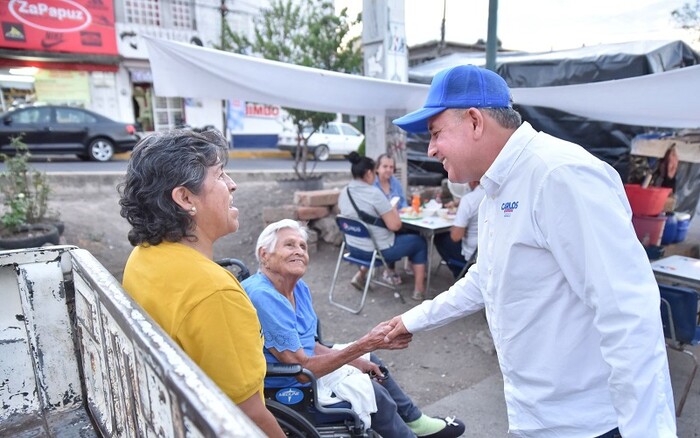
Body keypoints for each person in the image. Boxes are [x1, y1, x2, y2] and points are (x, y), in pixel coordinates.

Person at [384, 65, 676, 437]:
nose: (431, 149)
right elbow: (486, 278)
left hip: (590, 425)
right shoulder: (495, 187)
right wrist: (412, 321)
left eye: (436, 133)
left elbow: (627, 309)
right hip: (534, 415)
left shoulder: (558, 174)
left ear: (474, 121)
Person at [119, 129, 285, 437]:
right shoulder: (213, 292)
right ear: (184, 198)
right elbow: (247, 415)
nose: (232, 184)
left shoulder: (143, 257)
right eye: (220, 175)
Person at [242, 219, 465, 438]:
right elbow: (301, 370)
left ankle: (415, 422)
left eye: (303, 246)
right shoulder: (263, 296)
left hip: (304, 370)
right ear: (264, 255)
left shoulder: (299, 288)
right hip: (290, 387)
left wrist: (357, 357)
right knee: (375, 395)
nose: (299, 251)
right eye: (289, 245)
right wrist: (363, 344)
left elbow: (310, 345)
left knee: (370, 362)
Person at [339, 151, 428, 301]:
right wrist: (392, 210)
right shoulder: (374, 193)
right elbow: (395, 225)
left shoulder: (344, 192)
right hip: (375, 251)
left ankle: (362, 275)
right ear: (368, 173)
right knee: (419, 243)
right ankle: (419, 290)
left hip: (352, 248)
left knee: (385, 236)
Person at [433, 181, 484, 278]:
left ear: (472, 181)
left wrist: (453, 228)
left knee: (439, 237)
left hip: (472, 256)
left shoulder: (468, 200)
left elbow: (456, 237)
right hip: (486, 252)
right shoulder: (492, 193)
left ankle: (461, 274)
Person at [373, 153, 409, 284]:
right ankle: (390, 270)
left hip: (398, 218)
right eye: (385, 166)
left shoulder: (395, 183)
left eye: (391, 167)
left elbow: (404, 202)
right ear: (377, 168)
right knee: (395, 233)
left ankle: (412, 262)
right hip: (379, 223)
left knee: (415, 231)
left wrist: (401, 210)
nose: (389, 170)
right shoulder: (372, 185)